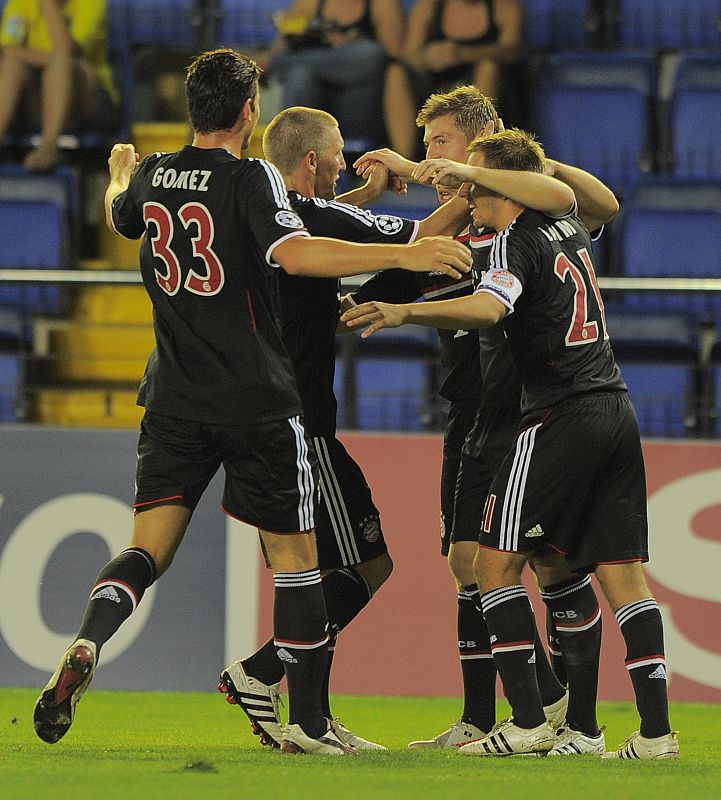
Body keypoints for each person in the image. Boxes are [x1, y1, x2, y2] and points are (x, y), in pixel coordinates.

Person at [31, 48, 471, 757]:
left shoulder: (151, 174)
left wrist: (116, 173)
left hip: (173, 399)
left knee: (146, 548)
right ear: (247, 111)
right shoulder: (251, 177)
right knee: (300, 561)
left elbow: (121, 214)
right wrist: (411, 255)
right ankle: (306, 722)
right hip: (258, 402)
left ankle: (89, 638)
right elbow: (294, 251)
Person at [342, 129, 679, 760]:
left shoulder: (515, 240)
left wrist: (405, 315)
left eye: (478, 179)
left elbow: (491, 310)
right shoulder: (567, 227)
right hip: (615, 408)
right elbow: (584, 201)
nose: (469, 192)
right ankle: (646, 734)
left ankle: (526, 723)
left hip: (554, 418)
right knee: (623, 579)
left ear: (504, 183)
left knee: (491, 566)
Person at [218, 104, 471, 751]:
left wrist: (367, 193)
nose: (340, 161)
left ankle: (305, 711)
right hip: (297, 423)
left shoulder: (265, 216)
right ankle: (274, 687)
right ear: (310, 161)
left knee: (340, 567)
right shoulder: (307, 217)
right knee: (349, 566)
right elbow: (418, 238)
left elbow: (333, 222)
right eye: (335, 154)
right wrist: (477, 184)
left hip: (267, 418)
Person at [349, 85, 594, 748]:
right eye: (425, 145)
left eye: (439, 143)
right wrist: (377, 199)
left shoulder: (523, 215)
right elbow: (359, 266)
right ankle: (494, 714)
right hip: (469, 413)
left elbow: (596, 205)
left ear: (480, 145)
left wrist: (475, 173)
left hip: (527, 413)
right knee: (467, 562)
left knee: (539, 564)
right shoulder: (449, 229)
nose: (427, 157)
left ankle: (548, 708)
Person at [384, 0, 522, 158]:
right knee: (396, 73)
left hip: (482, 88)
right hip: (434, 86)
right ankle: (404, 162)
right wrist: (428, 58)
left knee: (488, 68)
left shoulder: (504, 6)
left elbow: (511, 50)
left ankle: (477, 158)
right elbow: (409, 55)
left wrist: (461, 54)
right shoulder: (429, 6)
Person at [259, 0, 404, 146]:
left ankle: (276, 65)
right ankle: (293, 152)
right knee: (300, 75)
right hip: (316, 105)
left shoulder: (381, 4)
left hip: (359, 104)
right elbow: (282, 46)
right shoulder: (310, 4)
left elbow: (394, 58)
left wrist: (348, 49)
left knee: (371, 54)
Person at [0, 0, 118, 170]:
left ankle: (49, 146)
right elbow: (7, 50)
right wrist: (48, 61)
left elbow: (67, 49)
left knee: (61, 62)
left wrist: (48, 5)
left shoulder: (92, 4)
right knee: (11, 66)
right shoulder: (20, 4)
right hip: (36, 100)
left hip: (86, 101)